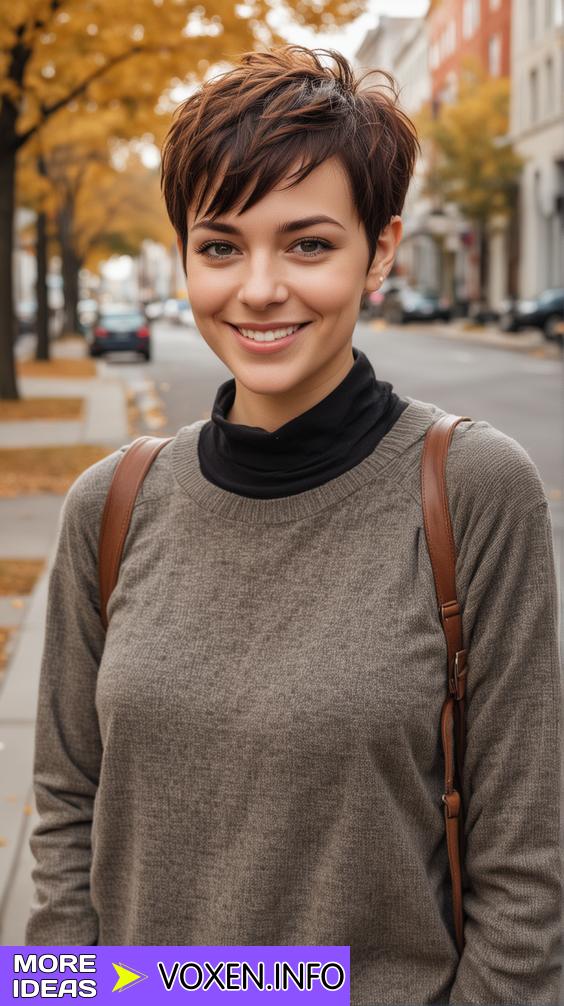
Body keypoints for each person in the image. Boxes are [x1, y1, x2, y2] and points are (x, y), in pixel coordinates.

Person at [26, 47, 561, 1004]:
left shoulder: (473, 489)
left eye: (308, 244)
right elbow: (68, 811)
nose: (259, 288)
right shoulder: (109, 505)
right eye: (221, 246)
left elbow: (526, 861)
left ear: (381, 251)